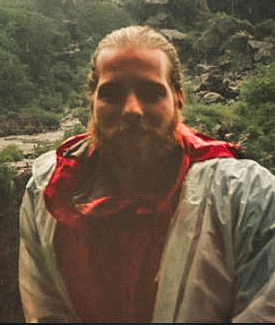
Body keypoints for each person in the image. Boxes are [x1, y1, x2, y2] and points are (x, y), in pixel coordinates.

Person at [19, 25, 275, 322]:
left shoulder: (246, 196)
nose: (131, 110)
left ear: (179, 98)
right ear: (92, 101)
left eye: (150, 93)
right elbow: (47, 311)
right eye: (112, 94)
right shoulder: (46, 191)